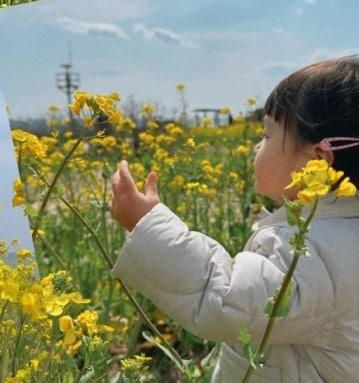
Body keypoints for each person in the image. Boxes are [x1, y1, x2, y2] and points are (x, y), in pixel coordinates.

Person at [110, 56, 359, 381]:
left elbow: (228, 300)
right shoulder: (340, 234)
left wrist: (148, 226)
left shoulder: (315, 255)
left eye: (268, 136)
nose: (256, 146)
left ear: (317, 164)